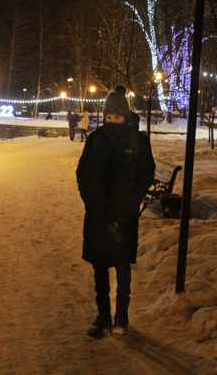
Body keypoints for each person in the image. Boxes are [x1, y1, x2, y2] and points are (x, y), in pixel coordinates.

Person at [76, 85, 156, 337]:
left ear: (126, 115)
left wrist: (131, 202)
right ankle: (103, 316)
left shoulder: (138, 141)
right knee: (100, 267)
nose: (112, 122)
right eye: (108, 117)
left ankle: (121, 317)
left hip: (124, 215)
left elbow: (145, 173)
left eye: (117, 117)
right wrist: (92, 201)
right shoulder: (96, 139)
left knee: (122, 267)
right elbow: (83, 173)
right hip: (98, 214)